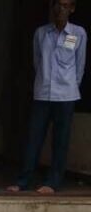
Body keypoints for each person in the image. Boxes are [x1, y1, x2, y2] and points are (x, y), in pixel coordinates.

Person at [8, 0, 86, 194]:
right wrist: (44, 81)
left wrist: (70, 86)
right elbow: (37, 61)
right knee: (33, 138)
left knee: (60, 141)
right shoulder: (41, 33)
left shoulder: (78, 33)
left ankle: (52, 182)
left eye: (65, 5)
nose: (60, 9)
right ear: (53, 7)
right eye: (58, 5)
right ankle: (23, 180)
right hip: (42, 93)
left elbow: (80, 66)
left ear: (72, 9)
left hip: (66, 96)